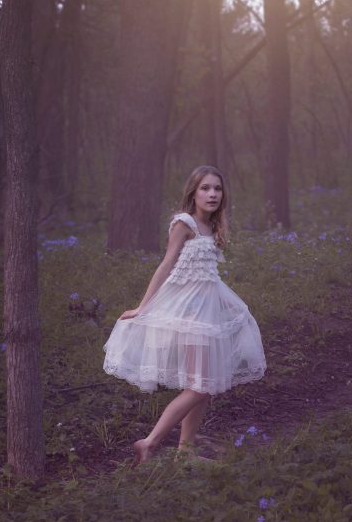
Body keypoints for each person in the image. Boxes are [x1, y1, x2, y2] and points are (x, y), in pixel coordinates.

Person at [103, 165, 266, 464]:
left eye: (217, 189)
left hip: (207, 315)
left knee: (202, 387)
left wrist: (232, 306)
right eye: (205, 188)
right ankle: (149, 443)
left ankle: (185, 452)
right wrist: (142, 306)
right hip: (188, 315)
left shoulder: (211, 228)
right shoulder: (185, 223)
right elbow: (166, 265)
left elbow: (207, 278)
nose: (213, 194)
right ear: (193, 192)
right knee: (201, 386)